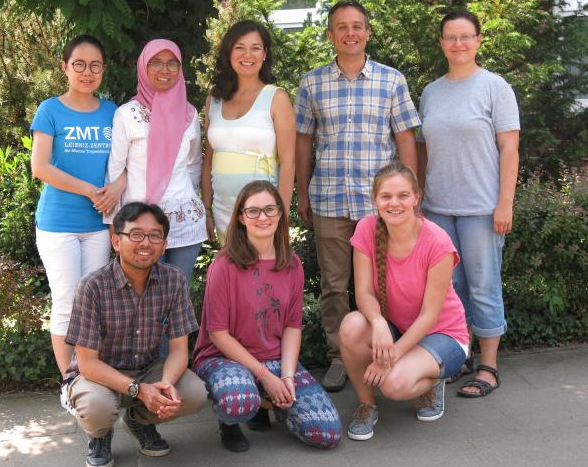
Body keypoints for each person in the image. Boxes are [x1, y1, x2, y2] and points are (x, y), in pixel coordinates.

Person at [294, 1, 421, 392]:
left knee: (385, 286)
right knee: (334, 285)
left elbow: (405, 139)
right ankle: (338, 357)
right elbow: (303, 142)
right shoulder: (311, 83)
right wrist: (303, 192)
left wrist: (412, 193)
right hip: (330, 199)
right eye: (341, 27)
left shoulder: (391, 80)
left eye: (357, 26)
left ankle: (387, 354)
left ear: (367, 32)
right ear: (330, 34)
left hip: (381, 207)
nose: (350, 33)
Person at [193, 180, 342, 453]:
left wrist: (285, 378)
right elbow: (218, 334)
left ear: (281, 214)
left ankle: (271, 401)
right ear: (241, 217)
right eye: (253, 211)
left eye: (270, 209)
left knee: (326, 431)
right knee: (238, 402)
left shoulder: (292, 264)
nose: (262, 217)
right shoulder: (224, 265)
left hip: (275, 358)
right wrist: (265, 376)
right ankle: (234, 419)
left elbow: (292, 327)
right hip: (223, 358)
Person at [416, 11, 520, 397]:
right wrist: (421, 200)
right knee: (449, 291)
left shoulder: (495, 87)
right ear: (441, 42)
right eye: (450, 37)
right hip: (439, 208)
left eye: (465, 36)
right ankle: (458, 357)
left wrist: (504, 203)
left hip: (481, 208)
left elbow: (510, 149)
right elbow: (424, 151)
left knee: (483, 286)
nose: (458, 44)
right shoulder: (431, 91)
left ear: (478, 40)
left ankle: (488, 367)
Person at [63, 202, 207, 467]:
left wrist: (164, 386)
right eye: (136, 234)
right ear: (116, 241)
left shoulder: (174, 280)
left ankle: (138, 421)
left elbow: (178, 350)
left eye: (155, 236)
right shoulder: (92, 287)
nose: (146, 243)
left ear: (164, 245)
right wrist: (138, 390)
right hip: (98, 376)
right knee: (98, 408)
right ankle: (100, 433)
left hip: (146, 370)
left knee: (194, 393)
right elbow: (87, 363)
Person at [339, 162, 469, 441]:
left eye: (403, 195)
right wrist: (378, 323)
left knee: (394, 385)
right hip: (397, 326)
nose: (394, 203)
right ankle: (366, 405)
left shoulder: (437, 242)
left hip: (443, 333)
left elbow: (429, 316)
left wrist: (389, 358)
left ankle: (434, 381)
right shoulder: (366, 229)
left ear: (416, 198)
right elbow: (363, 292)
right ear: (375, 199)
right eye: (386, 196)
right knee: (351, 325)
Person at [31, 34, 125, 381]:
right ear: (65, 68)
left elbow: (127, 159)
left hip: (99, 224)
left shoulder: (111, 112)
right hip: (58, 223)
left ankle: (91, 377)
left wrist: (117, 186)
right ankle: (72, 384)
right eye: (80, 64)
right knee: (68, 302)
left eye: (95, 65)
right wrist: (90, 190)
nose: (88, 72)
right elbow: (40, 167)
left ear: (103, 70)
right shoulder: (50, 109)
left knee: (92, 307)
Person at [104, 39, 206, 284]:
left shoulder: (190, 115)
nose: (165, 70)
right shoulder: (127, 115)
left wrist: (180, 197)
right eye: (156, 63)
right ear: (143, 67)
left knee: (178, 296)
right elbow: (115, 172)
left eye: (172, 63)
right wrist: (114, 226)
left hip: (185, 222)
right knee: (143, 297)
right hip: (140, 226)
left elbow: (193, 165)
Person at [201, 20, 295, 245]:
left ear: (264, 54)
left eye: (255, 48)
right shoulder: (213, 100)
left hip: (264, 213)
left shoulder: (276, 98)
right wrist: (206, 209)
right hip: (224, 211)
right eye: (240, 47)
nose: (248, 54)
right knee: (232, 276)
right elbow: (208, 161)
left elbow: (289, 162)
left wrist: (280, 215)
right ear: (229, 52)